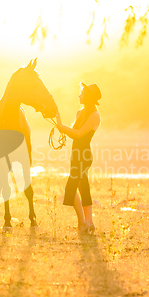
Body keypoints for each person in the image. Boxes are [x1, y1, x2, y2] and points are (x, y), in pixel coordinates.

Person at [56, 83, 101, 234]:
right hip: (75, 154)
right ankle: (89, 222)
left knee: (71, 188)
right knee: (83, 187)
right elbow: (73, 132)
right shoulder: (79, 113)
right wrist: (61, 128)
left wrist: (62, 126)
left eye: (81, 93)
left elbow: (80, 134)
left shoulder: (95, 116)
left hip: (84, 155)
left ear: (88, 97)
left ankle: (82, 222)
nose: (79, 95)